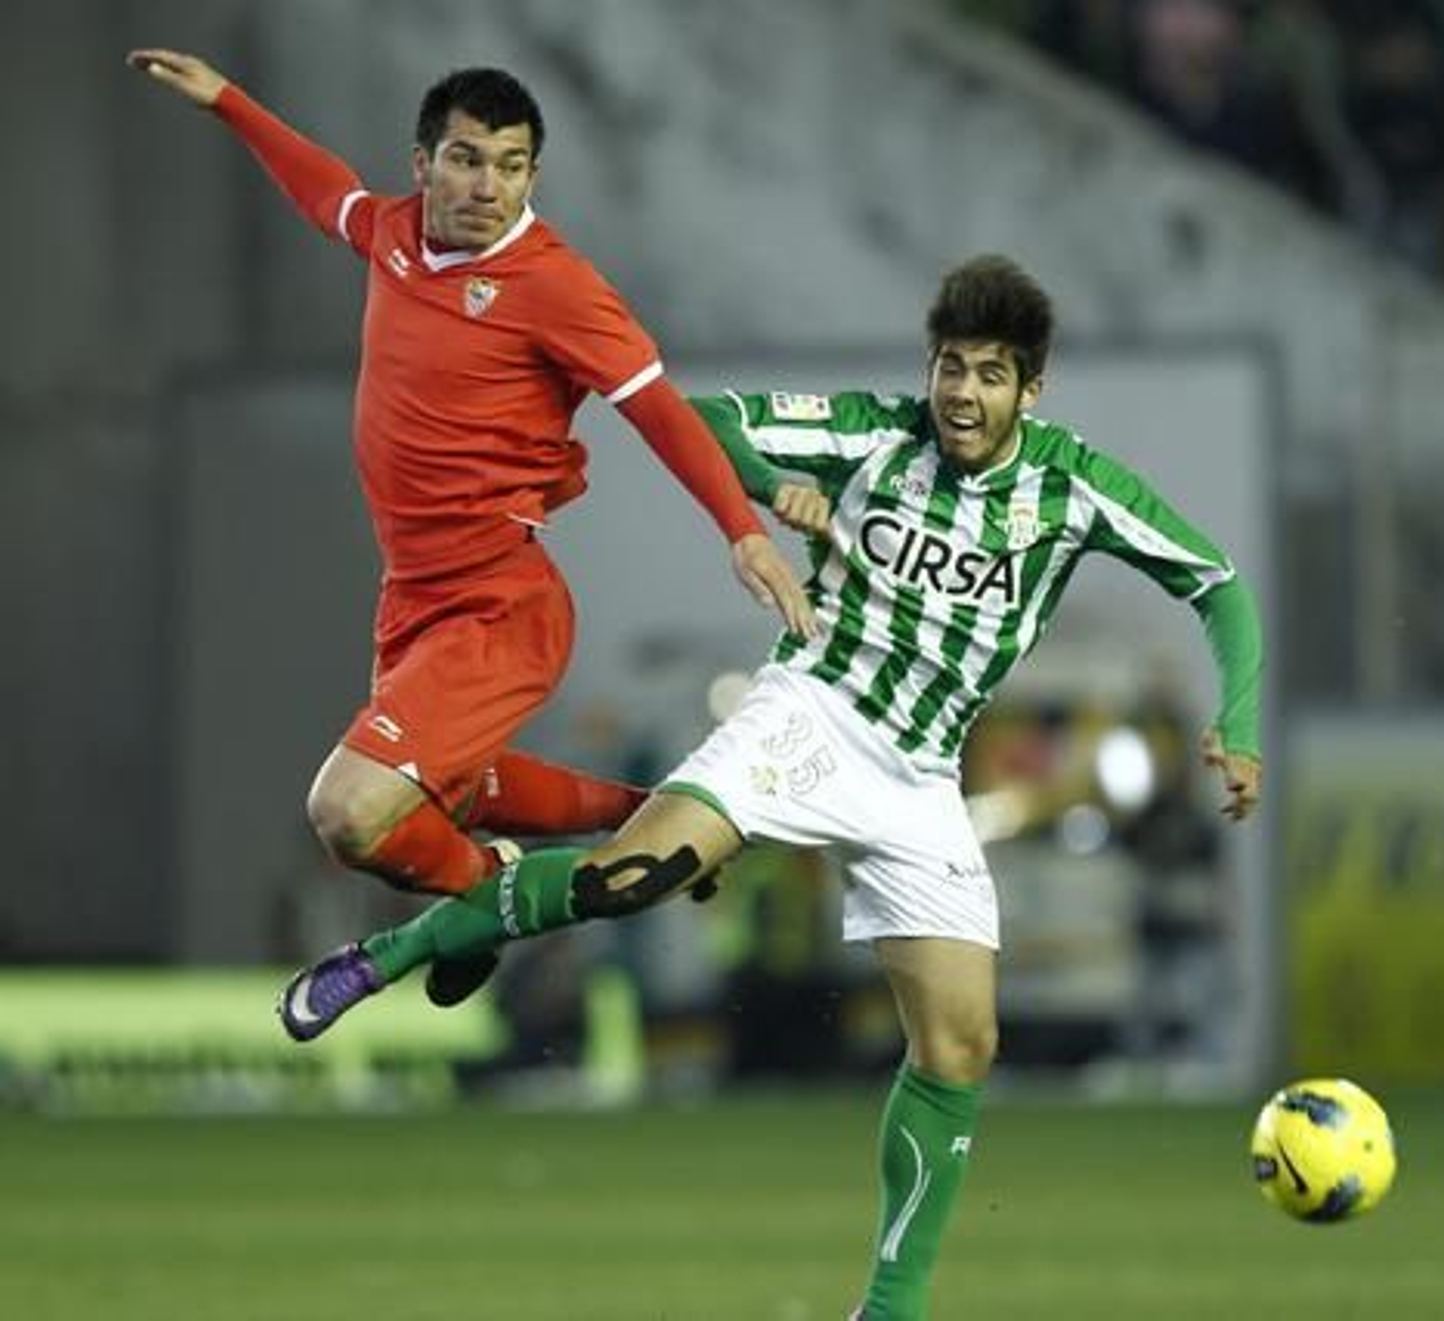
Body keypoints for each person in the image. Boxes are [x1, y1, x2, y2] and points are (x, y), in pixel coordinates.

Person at [278, 254, 1265, 1319]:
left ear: (1032, 389)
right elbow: (697, 418)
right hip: (809, 717)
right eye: (948, 367)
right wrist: (762, 481)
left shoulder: (1072, 487)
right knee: (632, 879)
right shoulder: (870, 435)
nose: (962, 394)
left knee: (961, 1045)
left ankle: (887, 1310)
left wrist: (1237, 722)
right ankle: (396, 951)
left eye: (988, 374)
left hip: (920, 774)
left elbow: (1216, 584)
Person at [126, 50, 815, 998]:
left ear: (533, 173)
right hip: (411, 594)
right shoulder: (399, 233)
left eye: (510, 164)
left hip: (501, 600)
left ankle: (487, 894)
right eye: (466, 159)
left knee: (348, 813)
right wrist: (231, 103)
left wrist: (740, 528)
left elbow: (658, 407)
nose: (487, 185)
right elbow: (325, 192)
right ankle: (667, 819)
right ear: (424, 164)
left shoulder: (555, 284)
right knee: (443, 796)